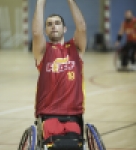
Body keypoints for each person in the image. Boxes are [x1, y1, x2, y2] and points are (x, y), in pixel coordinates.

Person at [32, 0, 86, 140]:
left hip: (73, 115)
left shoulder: (76, 48)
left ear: (65, 28)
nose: (53, 26)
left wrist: (70, 1)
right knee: (55, 144)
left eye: (57, 23)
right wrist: (40, 3)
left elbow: (81, 28)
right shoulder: (43, 51)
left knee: (73, 143)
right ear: (46, 31)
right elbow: (36, 32)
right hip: (49, 114)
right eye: (49, 24)